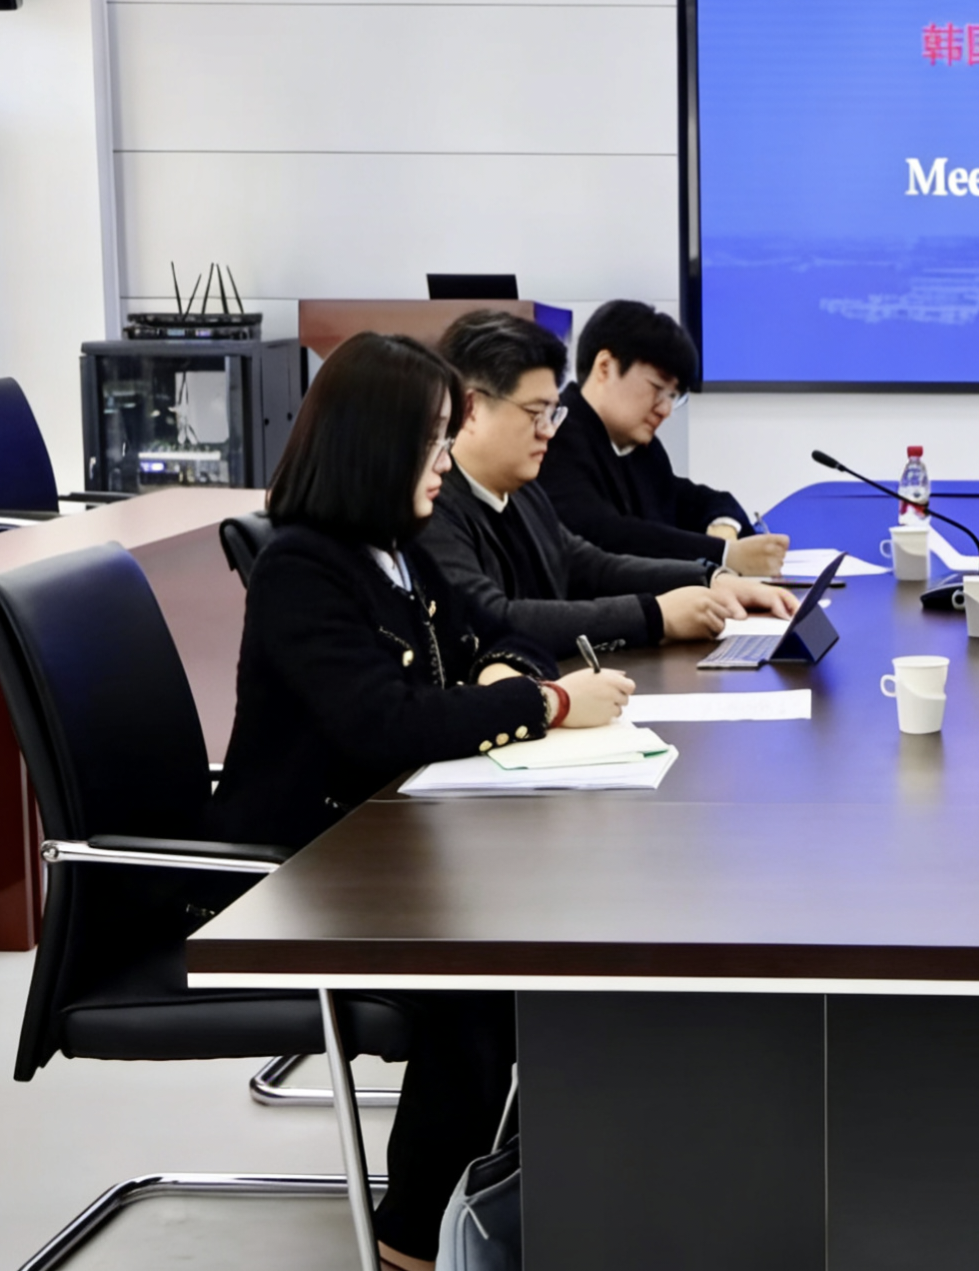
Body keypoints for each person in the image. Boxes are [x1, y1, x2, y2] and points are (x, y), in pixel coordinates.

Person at [209, 332, 635, 1271]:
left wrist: (506, 675)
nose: (444, 459)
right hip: (301, 870)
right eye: (431, 439)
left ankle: (523, 1194)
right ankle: (412, 1242)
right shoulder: (305, 568)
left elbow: (502, 634)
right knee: (480, 983)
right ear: (375, 446)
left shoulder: (399, 552)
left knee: (544, 946)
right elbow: (386, 725)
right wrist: (545, 704)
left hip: (386, 839)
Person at [420, 310, 792, 651]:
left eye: (552, 414)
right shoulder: (432, 504)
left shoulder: (523, 493)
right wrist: (657, 615)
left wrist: (710, 578)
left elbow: (591, 566)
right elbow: (493, 618)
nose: (548, 431)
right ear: (470, 409)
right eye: (536, 414)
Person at [536, 299, 789, 576]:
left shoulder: (642, 449)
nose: (665, 410)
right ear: (605, 367)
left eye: (673, 396)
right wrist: (725, 555)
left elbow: (693, 500)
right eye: (657, 389)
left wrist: (723, 527)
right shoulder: (554, 436)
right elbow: (603, 535)